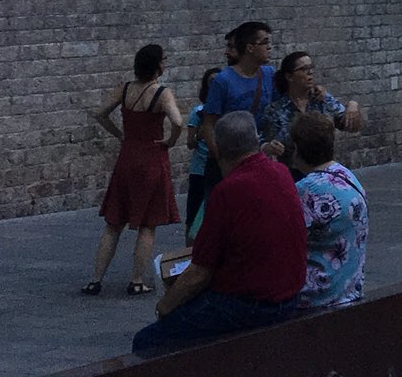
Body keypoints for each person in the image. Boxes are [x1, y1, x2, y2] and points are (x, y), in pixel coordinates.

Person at [130, 112, 305, 353]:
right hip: (288, 296)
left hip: (247, 305)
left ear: (219, 150)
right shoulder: (281, 173)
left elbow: (199, 273)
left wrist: (164, 306)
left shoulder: (229, 190)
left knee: (147, 341)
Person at [82, 43, 183, 296]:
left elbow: (100, 113)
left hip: (127, 156)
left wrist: (120, 135)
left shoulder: (125, 89)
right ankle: (136, 280)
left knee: (114, 221)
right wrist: (170, 142)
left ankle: (96, 279)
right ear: (157, 64)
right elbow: (178, 122)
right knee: (148, 224)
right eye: (164, 59)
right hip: (152, 158)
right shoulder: (162, 93)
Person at [289, 111, 367, 309]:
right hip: (350, 290)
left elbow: (279, 239)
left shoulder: (308, 190)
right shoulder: (346, 175)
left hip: (317, 296)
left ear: (297, 149)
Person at [201, 21, 276, 192]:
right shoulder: (222, 81)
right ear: (250, 47)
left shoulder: (269, 74)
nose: (269, 47)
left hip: (258, 157)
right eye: (264, 42)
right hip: (229, 161)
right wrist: (222, 160)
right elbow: (208, 125)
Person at [259, 49, 361, 163]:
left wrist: (353, 105)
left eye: (311, 68)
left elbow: (351, 126)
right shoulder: (275, 110)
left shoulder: (322, 99)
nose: (310, 72)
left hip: (323, 170)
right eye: (304, 69)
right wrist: (269, 147)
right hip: (292, 172)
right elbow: (263, 145)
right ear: (289, 76)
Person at [181, 66, 220, 233]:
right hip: (200, 169)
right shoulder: (198, 113)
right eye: (211, 82)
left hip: (219, 166)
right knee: (194, 212)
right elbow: (190, 143)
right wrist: (200, 136)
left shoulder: (225, 111)